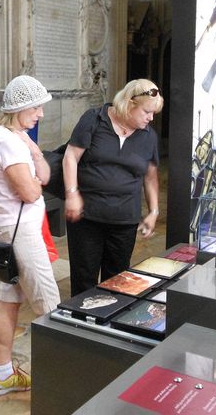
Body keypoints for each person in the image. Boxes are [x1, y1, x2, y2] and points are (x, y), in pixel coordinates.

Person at [0, 75, 60, 397]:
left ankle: (2, 375)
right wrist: (34, 178)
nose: (41, 113)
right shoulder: (6, 141)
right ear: (19, 107)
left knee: (10, 300)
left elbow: (44, 176)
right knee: (50, 306)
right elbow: (30, 192)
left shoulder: (17, 138)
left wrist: (36, 154)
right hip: (21, 234)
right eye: (37, 106)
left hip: (14, 230)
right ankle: (61, 381)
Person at [63, 79, 163, 296]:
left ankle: (108, 326)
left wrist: (153, 211)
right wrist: (72, 194)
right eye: (147, 111)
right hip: (87, 217)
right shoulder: (94, 119)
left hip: (124, 220)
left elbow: (150, 176)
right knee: (84, 277)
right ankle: (81, 324)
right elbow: (70, 156)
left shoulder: (148, 136)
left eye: (153, 113)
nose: (151, 118)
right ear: (129, 104)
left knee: (117, 280)